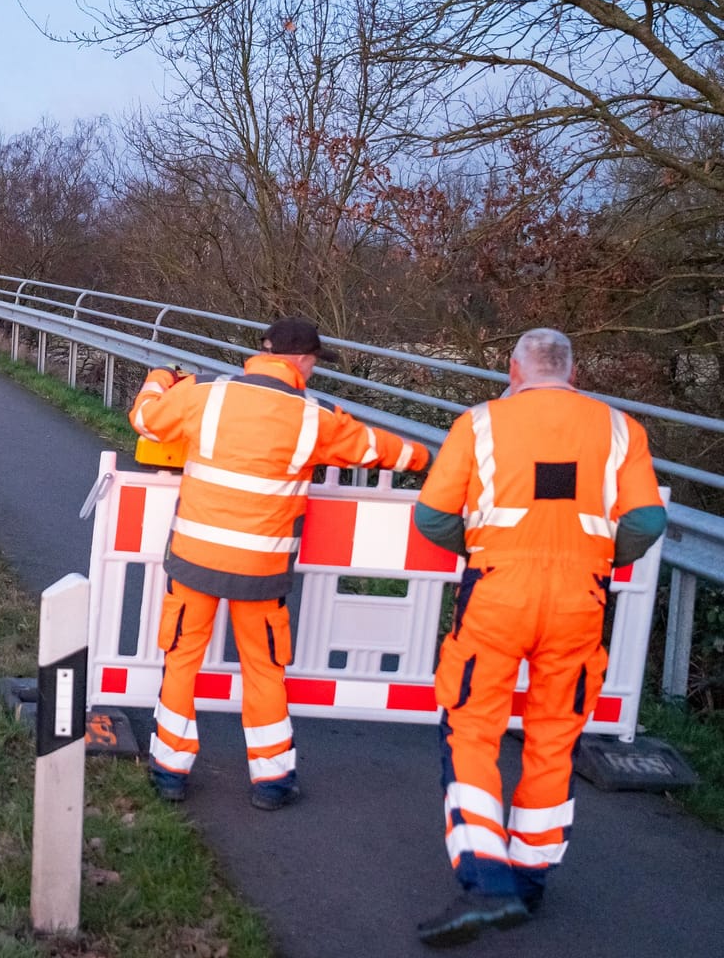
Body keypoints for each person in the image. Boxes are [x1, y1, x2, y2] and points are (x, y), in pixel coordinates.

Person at [411, 328, 667, 947]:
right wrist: (596, 560)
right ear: (573, 373)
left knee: (472, 727)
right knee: (555, 736)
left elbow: (432, 515)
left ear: (514, 369)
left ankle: (485, 882)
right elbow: (647, 519)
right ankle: (529, 880)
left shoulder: (479, 424)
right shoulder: (620, 429)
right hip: (581, 600)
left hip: (498, 592)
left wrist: (483, 549)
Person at [129, 317, 430, 809]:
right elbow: (380, 451)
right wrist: (427, 456)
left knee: (182, 659)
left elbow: (145, 419)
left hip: (194, 561)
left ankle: (170, 772)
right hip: (261, 573)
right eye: (314, 362)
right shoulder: (313, 418)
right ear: (303, 360)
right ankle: (271, 782)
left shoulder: (207, 396)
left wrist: (161, 378)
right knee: (264, 669)